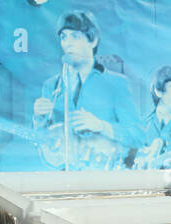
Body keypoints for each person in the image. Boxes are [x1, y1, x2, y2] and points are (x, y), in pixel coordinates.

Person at [32, 10, 137, 169]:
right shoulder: (51, 86)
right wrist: (38, 119)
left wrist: (101, 126)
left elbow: (137, 136)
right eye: (63, 37)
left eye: (75, 36)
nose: (68, 43)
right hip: (64, 179)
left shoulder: (116, 83)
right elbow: (43, 142)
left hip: (104, 177)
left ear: (93, 40)